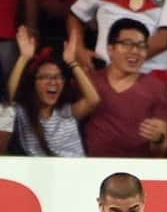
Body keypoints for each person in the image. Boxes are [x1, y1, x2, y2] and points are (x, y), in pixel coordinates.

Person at [7, 26, 99, 156]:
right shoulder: (23, 114)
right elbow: (7, 100)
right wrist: (23, 58)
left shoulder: (67, 112)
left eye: (58, 77)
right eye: (45, 77)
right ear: (33, 84)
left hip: (77, 172)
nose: (53, 82)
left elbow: (93, 100)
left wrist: (72, 63)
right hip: (41, 174)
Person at [84, 19, 167, 157]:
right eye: (127, 44)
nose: (135, 51)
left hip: (137, 171)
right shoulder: (89, 81)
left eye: (141, 46)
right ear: (110, 49)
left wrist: (158, 139)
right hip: (93, 168)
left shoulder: (156, 86)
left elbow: (161, 148)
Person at [67, 0, 167, 72]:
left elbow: (165, 38)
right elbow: (75, 15)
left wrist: (121, 63)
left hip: (150, 72)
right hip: (102, 70)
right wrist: (79, 49)